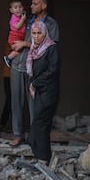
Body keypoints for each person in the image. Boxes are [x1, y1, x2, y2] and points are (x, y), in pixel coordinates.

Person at [9, 0, 59, 147]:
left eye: (35, 4)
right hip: (18, 65)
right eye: (31, 3)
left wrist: (25, 44)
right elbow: (15, 34)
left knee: (35, 104)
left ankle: (34, 137)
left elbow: (51, 47)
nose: (31, 6)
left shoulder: (51, 24)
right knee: (16, 102)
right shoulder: (27, 20)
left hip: (36, 70)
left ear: (44, 6)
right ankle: (17, 135)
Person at [26, 21, 60, 164]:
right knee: (41, 125)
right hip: (39, 92)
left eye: (39, 33)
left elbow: (52, 71)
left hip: (49, 92)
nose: (36, 36)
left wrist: (34, 84)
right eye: (34, 33)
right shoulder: (34, 50)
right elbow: (33, 71)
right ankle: (42, 156)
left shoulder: (52, 48)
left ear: (45, 33)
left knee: (40, 124)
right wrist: (33, 85)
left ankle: (43, 157)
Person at [3, 0, 27, 68]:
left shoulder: (20, 17)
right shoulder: (14, 18)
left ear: (23, 8)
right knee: (21, 50)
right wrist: (23, 19)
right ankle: (9, 58)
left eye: (20, 7)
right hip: (14, 37)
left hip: (19, 37)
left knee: (21, 49)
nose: (18, 9)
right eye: (15, 7)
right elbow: (17, 27)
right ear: (11, 10)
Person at [0, 43, 12, 132]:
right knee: (11, 99)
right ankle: (3, 124)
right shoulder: (12, 41)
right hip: (9, 75)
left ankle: (4, 124)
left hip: (9, 74)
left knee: (11, 100)